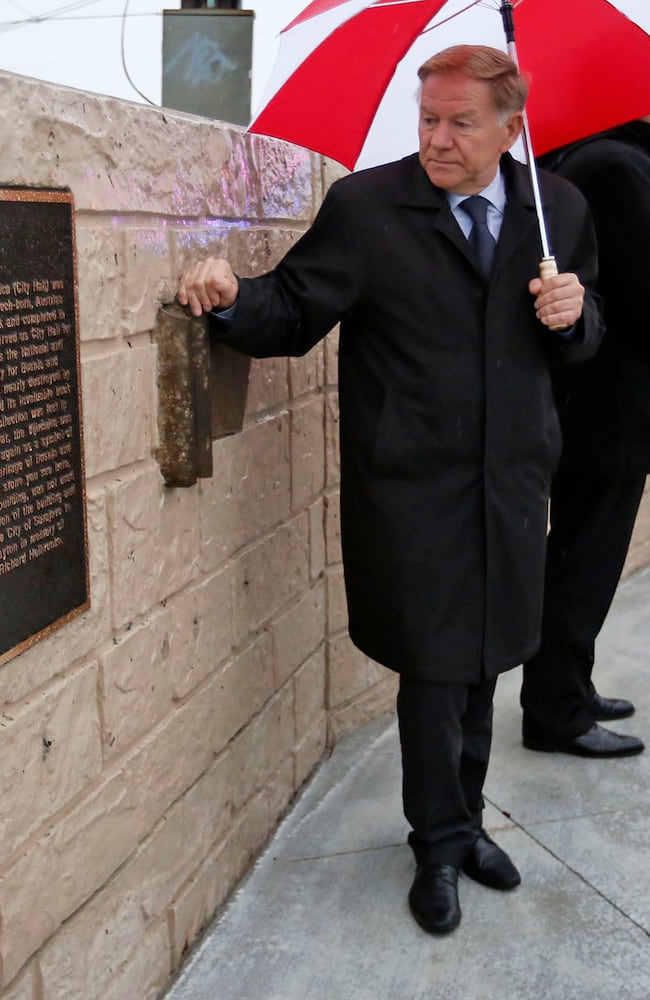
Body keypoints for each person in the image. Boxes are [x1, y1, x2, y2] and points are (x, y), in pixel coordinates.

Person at [175, 45, 602, 935]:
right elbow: (290, 310)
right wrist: (227, 298)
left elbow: (586, 335)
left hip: (513, 481)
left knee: (486, 660)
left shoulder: (555, 208)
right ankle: (439, 843)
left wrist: (577, 316)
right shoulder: (368, 207)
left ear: (510, 127)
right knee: (435, 667)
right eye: (428, 120)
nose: (439, 140)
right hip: (413, 488)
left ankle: (465, 820)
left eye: (461, 123)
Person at [521, 109, 650, 759]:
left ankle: (565, 686)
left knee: (578, 549)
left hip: (589, 391)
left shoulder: (583, 154)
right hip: (613, 394)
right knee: (586, 555)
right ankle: (557, 709)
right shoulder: (617, 165)